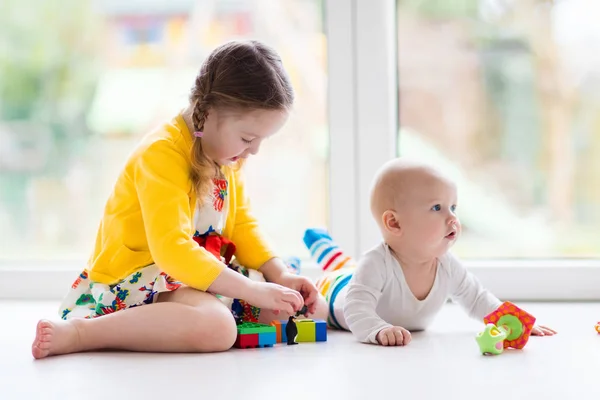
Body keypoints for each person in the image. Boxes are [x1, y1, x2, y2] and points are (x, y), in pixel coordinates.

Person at [32, 40, 327, 359]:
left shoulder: (225, 155)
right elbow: (171, 250)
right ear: (210, 112)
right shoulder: (161, 153)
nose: (254, 150)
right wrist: (252, 290)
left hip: (197, 275)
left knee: (310, 310)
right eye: (248, 138)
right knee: (218, 329)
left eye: (260, 141)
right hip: (143, 277)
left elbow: (242, 224)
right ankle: (81, 332)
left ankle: (215, 310)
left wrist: (278, 274)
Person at [305, 158, 556, 346]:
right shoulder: (375, 263)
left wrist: (510, 320)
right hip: (338, 290)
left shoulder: (446, 264)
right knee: (325, 291)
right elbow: (356, 309)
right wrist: (379, 330)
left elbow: (477, 299)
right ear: (394, 223)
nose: (453, 218)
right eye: (437, 208)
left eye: (453, 207)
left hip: (355, 276)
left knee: (348, 267)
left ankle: (330, 252)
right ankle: (317, 246)